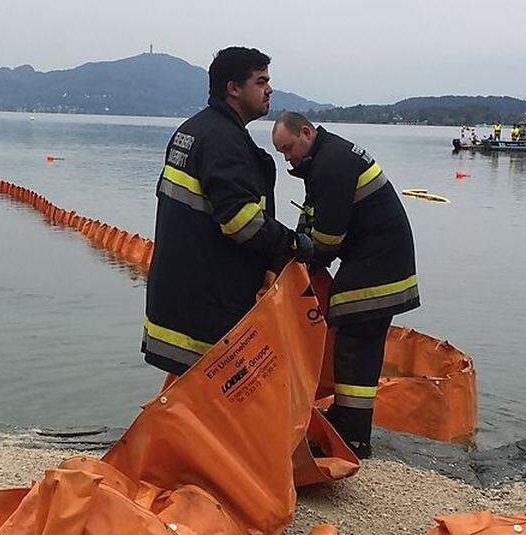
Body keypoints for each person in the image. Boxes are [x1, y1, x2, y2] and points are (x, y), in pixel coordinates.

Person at [142, 47, 314, 376]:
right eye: (260, 81)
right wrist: (292, 244)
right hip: (209, 308)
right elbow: (242, 224)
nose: (269, 89)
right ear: (233, 88)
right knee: (223, 411)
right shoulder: (224, 142)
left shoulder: (191, 131)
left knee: (193, 408)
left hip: (179, 299)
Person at [271, 111, 420, 458]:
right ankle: (348, 421)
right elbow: (314, 217)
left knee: (354, 348)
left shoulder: (331, 165)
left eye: (289, 148)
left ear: (306, 132)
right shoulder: (327, 157)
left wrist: (294, 260)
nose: (287, 157)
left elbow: (327, 238)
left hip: (377, 270)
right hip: (380, 265)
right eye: (281, 152)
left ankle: (352, 436)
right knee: (355, 347)